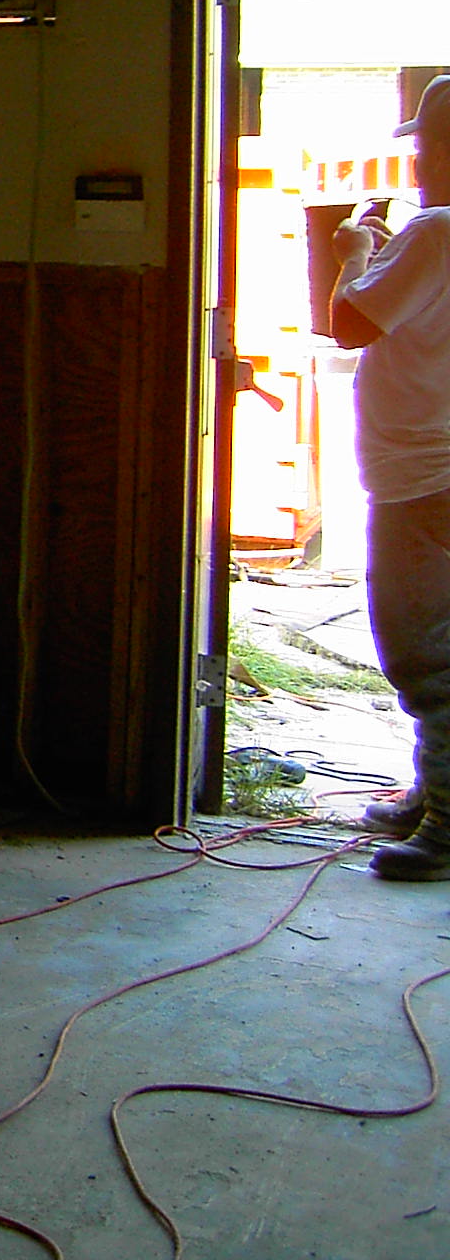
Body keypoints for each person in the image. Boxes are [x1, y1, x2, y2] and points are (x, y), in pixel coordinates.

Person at [329, 72, 450, 881]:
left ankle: (447, 826)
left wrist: (356, 254)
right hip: (435, 470)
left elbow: (349, 323)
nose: (417, 163)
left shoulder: (436, 231)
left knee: (425, 655)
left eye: (426, 146)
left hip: (421, 478)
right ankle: (431, 790)